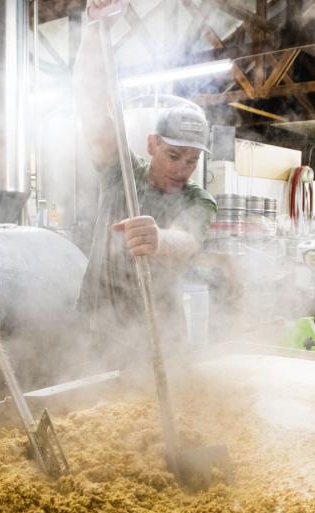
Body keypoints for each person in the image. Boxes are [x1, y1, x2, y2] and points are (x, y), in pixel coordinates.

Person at [72, 0, 217, 365]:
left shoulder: (198, 201)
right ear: (152, 144)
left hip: (156, 335)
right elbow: (89, 103)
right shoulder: (120, 172)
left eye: (193, 160)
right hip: (98, 328)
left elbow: (187, 241)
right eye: (174, 155)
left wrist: (158, 239)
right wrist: (93, 28)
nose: (183, 168)